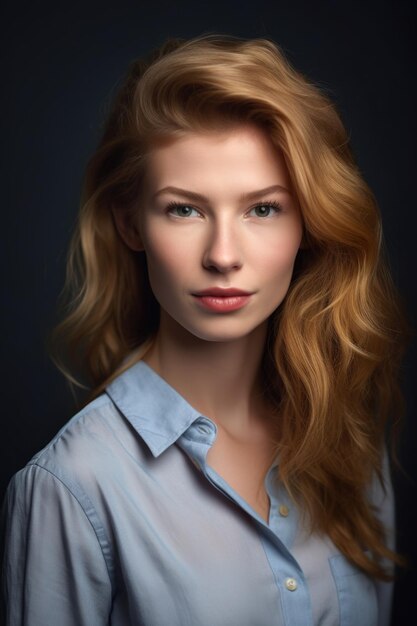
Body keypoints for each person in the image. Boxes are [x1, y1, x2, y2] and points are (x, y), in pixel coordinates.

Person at [1, 34, 409, 626]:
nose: (223, 255)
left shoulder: (350, 445)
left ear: (310, 224)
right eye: (184, 209)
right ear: (130, 223)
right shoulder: (71, 488)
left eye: (262, 208)